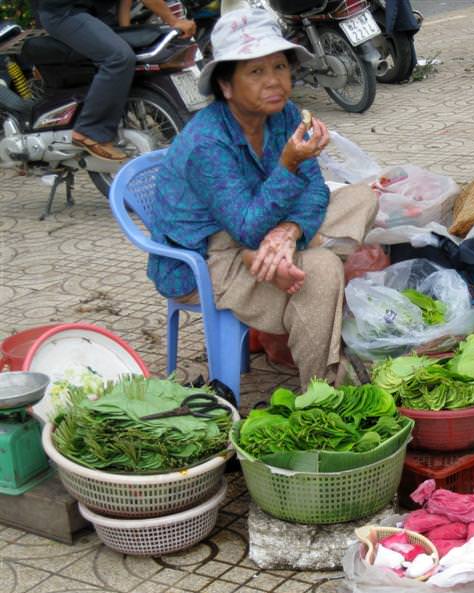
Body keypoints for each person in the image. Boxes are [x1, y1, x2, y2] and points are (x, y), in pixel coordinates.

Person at [148, 7, 378, 387]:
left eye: (280, 68)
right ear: (226, 85)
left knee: (361, 198)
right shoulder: (206, 143)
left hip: (263, 223)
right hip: (205, 255)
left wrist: (287, 232)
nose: (274, 81)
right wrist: (287, 165)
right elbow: (247, 224)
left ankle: (281, 254)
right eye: (256, 72)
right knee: (321, 269)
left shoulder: (285, 114)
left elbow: (314, 188)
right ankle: (320, 392)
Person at [36, 0, 196, 161]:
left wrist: (125, 32)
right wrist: (174, 21)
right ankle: (88, 132)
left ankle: (111, 120)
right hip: (65, 12)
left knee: (130, 53)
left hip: (95, 13)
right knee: (118, 58)